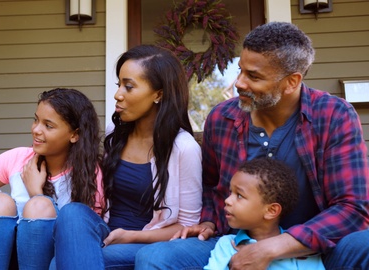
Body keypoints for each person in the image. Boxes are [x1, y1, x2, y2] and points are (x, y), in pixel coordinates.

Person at [136, 21, 369, 269]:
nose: (239, 83)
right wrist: (209, 221)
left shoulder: (334, 115)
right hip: (234, 244)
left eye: (253, 76)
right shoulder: (221, 118)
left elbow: (353, 209)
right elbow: (211, 186)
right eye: (240, 70)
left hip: (315, 251)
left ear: (292, 81)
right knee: (154, 258)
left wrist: (272, 247)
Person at [49, 44, 203, 269]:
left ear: (158, 94)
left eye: (128, 87)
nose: (117, 94)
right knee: (72, 213)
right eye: (119, 84)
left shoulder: (183, 148)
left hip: (146, 244)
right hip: (106, 231)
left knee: (57, 265)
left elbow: (186, 227)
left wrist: (131, 236)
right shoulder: (117, 133)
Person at [0, 88, 104, 269]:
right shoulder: (17, 158)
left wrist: (36, 193)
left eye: (48, 126)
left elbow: (84, 236)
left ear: (74, 134)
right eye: (36, 120)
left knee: (39, 206)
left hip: (50, 260)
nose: (36, 130)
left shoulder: (89, 172)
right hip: (3, 256)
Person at [204, 158, 324, 270]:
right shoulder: (226, 245)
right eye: (231, 193)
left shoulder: (298, 251)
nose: (227, 200)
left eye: (239, 195)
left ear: (271, 211)